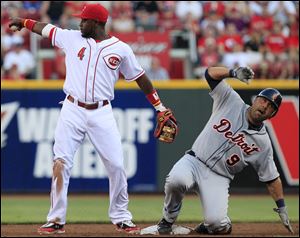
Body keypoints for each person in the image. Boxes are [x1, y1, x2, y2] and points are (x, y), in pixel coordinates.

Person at [9, 3, 177, 235]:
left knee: (117, 165)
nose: (80, 23)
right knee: (60, 163)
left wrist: (160, 107)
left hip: (102, 112)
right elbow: (45, 28)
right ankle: (56, 219)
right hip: (71, 108)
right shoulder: (71, 37)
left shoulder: (121, 49)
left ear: (97, 23)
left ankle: (121, 217)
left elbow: (140, 78)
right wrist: (24, 22)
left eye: (85, 20)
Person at [157, 66, 294, 235]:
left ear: (272, 114)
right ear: (256, 99)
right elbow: (210, 74)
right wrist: (233, 73)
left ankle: (214, 225)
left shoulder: (263, 143)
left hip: (219, 177)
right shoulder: (231, 100)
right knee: (176, 180)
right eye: (264, 100)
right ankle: (167, 219)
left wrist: (281, 207)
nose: (265, 106)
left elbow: (272, 178)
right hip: (194, 161)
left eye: (271, 106)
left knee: (218, 225)